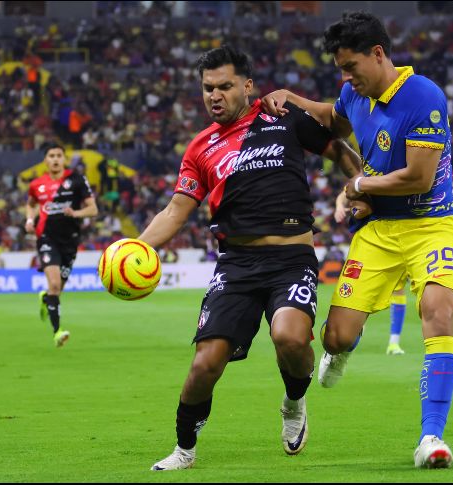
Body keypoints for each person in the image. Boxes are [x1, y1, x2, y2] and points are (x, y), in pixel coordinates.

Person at [140, 45, 363, 471]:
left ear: (246, 86)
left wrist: (361, 186)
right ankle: (184, 448)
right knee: (205, 363)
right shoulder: (200, 148)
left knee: (291, 338)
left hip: (291, 261)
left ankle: (294, 401)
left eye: (224, 86)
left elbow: (337, 150)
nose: (215, 95)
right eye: (208, 88)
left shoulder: (282, 116)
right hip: (236, 267)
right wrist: (137, 247)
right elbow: (176, 211)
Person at [262, 12, 453, 468]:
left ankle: (431, 438)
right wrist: (290, 98)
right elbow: (330, 119)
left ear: (378, 54)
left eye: (351, 65)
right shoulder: (355, 93)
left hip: (432, 225)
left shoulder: (423, 96)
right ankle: (344, 349)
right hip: (377, 236)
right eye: (340, 68)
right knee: (335, 338)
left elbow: (417, 178)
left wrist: (355, 188)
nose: (345, 76)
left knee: (437, 311)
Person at [25, 143, 98, 347]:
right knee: (55, 285)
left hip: (70, 241)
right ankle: (57, 332)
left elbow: (93, 209)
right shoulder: (37, 184)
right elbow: (30, 204)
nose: (55, 159)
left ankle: (46, 298)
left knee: (57, 289)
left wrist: (76, 213)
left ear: (64, 159)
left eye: (59, 155)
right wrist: (30, 221)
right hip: (47, 238)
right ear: (46, 160)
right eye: (51, 155)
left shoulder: (75, 180)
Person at [334, 190, 406, 355]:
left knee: (398, 289)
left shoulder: (389, 175)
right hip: (368, 241)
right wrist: (340, 206)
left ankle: (394, 343)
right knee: (358, 296)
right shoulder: (368, 174)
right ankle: (345, 343)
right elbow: (346, 193)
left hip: (395, 239)